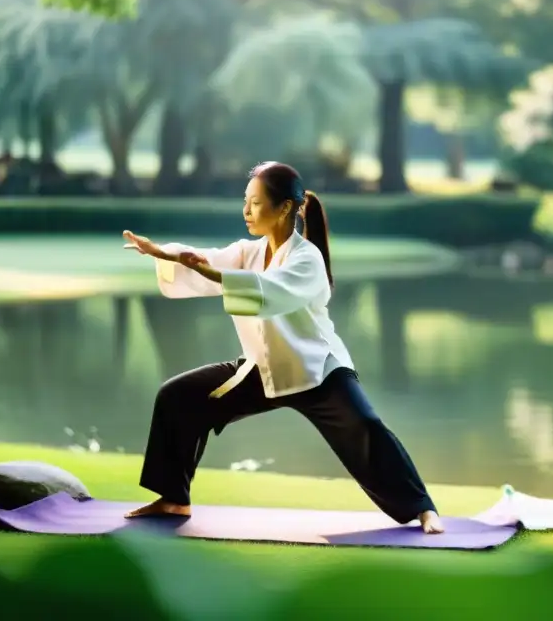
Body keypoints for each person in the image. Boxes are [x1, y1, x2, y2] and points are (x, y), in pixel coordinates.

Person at [121, 161, 444, 533]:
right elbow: (207, 259)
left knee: (367, 427)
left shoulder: (308, 259)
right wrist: (163, 252)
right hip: (263, 368)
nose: (246, 211)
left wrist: (214, 274)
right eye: (246, 201)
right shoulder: (249, 252)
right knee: (177, 397)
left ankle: (423, 510)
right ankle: (174, 499)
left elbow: (269, 293)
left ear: (285, 207)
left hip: (316, 370)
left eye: (255, 203)